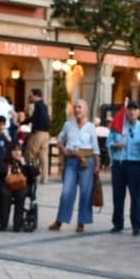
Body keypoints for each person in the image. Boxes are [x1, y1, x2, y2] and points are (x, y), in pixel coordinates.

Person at [50, 99, 100, 232]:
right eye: (75, 107)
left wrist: (97, 165)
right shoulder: (68, 125)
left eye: (80, 107)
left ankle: (81, 222)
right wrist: (63, 149)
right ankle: (59, 220)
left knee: (85, 192)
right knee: (67, 191)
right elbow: (60, 139)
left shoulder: (90, 127)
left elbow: (95, 147)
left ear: (86, 110)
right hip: (72, 160)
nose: (77, 110)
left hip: (87, 160)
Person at [109, 101, 140, 235]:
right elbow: (108, 142)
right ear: (126, 111)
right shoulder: (118, 124)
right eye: (130, 109)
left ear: (139, 112)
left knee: (135, 196)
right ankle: (117, 223)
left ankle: (136, 225)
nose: (132, 112)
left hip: (135, 164)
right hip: (119, 163)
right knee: (118, 195)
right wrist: (117, 144)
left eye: (135, 109)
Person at [0, 141, 37, 232]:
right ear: (10, 152)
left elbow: (35, 173)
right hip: (7, 185)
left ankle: (18, 224)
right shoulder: (4, 162)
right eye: (14, 150)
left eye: (19, 150)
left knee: (21, 194)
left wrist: (24, 164)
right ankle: (3, 222)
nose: (17, 152)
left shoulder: (25, 161)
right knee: (5, 194)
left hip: (22, 186)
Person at [25, 86, 51, 181]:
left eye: (31, 96)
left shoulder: (37, 105)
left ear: (36, 96)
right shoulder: (44, 105)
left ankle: (31, 174)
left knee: (30, 153)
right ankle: (44, 178)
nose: (30, 97)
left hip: (38, 133)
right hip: (46, 134)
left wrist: (24, 123)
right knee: (44, 156)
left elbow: (33, 118)